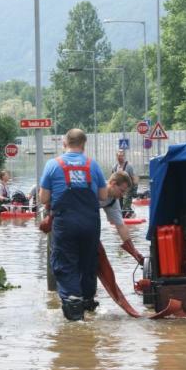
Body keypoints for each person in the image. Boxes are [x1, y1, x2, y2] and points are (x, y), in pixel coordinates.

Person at [40, 129, 107, 321]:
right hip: (90, 223)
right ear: (84, 145)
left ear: (64, 143)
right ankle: (87, 301)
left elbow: (44, 197)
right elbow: (103, 195)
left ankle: (73, 305)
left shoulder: (53, 165)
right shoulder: (93, 165)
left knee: (65, 262)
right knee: (88, 262)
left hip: (65, 223)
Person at [101, 171, 145, 265]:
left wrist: (134, 252)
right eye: (122, 191)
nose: (123, 195)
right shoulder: (96, 188)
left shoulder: (113, 200)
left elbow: (121, 226)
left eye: (125, 192)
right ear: (113, 184)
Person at [111, 149, 138, 217]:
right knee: (119, 207)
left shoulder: (129, 166)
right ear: (116, 157)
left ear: (124, 156)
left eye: (122, 156)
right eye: (119, 156)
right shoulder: (114, 167)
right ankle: (131, 214)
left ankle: (128, 217)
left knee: (125, 207)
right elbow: (112, 179)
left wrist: (135, 190)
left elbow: (134, 178)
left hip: (128, 190)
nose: (120, 157)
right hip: (118, 191)